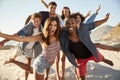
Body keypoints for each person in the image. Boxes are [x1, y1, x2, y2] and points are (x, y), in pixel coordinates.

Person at [59, 13, 114, 80]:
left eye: (73, 23)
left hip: (91, 53)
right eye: (67, 23)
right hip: (80, 59)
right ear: (64, 25)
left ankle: (104, 59)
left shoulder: (83, 28)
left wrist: (105, 20)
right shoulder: (63, 34)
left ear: (76, 24)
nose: (70, 25)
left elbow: (93, 24)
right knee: (82, 77)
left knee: (100, 58)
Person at [1, 13, 43, 80]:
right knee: (15, 55)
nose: (36, 23)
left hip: (30, 48)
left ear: (41, 20)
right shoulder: (27, 27)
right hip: (22, 46)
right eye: (34, 21)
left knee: (28, 65)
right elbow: (15, 35)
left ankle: (25, 78)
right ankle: (12, 59)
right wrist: (4, 41)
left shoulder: (41, 28)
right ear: (32, 20)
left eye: (38, 21)